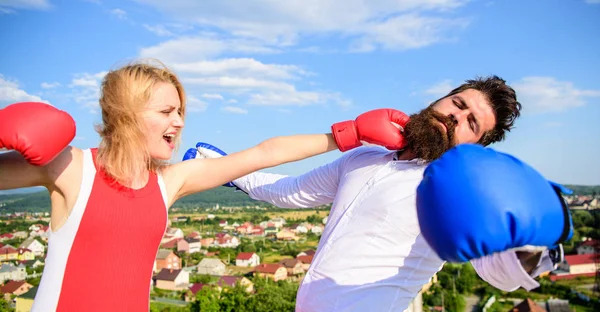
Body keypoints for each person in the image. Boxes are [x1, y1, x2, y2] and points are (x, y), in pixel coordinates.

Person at [0, 59, 411, 311]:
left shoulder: (169, 182)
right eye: (166, 110)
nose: (179, 122)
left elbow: (263, 154)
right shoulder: (71, 167)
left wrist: (349, 133)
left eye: (180, 110)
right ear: (126, 114)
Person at [183, 75, 568, 311]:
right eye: (458, 103)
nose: (455, 115)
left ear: (475, 146)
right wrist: (227, 168)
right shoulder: (365, 156)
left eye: (471, 122)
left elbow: (500, 272)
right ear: (440, 100)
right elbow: (290, 192)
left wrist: (536, 242)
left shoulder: (451, 188)